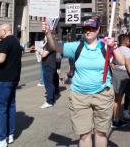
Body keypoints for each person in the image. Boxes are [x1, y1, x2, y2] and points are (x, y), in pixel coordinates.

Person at [43, 16, 125, 147]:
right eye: (85, 28)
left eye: (91, 28)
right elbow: (56, 47)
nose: (88, 31)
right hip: (79, 97)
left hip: (103, 95)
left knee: (100, 133)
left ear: (98, 30)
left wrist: (114, 46)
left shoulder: (105, 46)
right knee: (84, 134)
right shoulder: (77, 47)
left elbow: (121, 62)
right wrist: (48, 34)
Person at [38, 36, 57, 109]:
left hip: (49, 65)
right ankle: (51, 99)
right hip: (48, 65)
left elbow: (43, 54)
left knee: (48, 84)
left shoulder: (50, 44)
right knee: (50, 83)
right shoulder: (48, 44)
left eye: (45, 35)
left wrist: (39, 50)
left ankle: (49, 101)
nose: (44, 36)